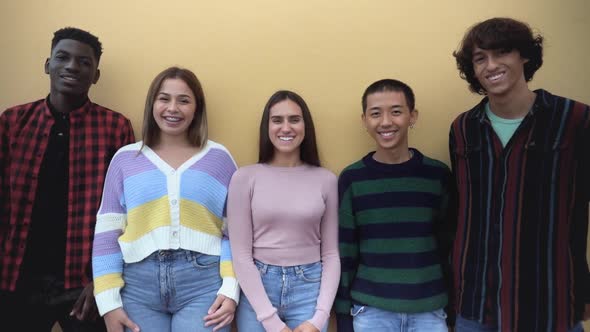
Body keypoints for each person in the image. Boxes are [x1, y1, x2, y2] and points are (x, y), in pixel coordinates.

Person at [450, 17, 590, 332]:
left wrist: (583, 286)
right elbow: (463, 211)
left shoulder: (574, 120)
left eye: (502, 53)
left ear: (525, 55)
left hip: (549, 302)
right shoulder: (463, 128)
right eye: (480, 58)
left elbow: (581, 209)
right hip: (476, 303)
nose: (491, 65)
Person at [0, 27, 134, 331]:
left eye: (84, 62)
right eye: (63, 57)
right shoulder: (13, 121)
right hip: (16, 278)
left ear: (95, 74)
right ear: (48, 65)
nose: (73, 66)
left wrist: (104, 279)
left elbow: (126, 210)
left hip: (84, 283)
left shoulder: (115, 127)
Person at [92, 66, 239, 332]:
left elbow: (235, 232)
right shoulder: (126, 159)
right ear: (152, 104)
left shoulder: (219, 159)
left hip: (203, 284)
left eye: (184, 100)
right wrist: (108, 303)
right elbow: (107, 234)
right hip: (137, 287)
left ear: (197, 108)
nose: (173, 108)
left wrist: (231, 289)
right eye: (164, 98)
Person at [334, 79, 455, 332]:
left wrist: (453, 307)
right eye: (375, 113)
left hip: (429, 312)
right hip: (371, 313)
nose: (386, 122)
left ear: (413, 116)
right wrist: (344, 318)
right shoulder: (352, 180)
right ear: (364, 120)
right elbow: (345, 254)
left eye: (396, 111)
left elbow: (450, 247)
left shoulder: (437, 176)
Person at [227, 90, 340, 332]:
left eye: (294, 120)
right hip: (258, 290)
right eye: (277, 120)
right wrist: (271, 321)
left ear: (305, 126)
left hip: (309, 288)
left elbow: (330, 254)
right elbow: (241, 255)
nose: (286, 128)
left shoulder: (326, 180)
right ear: (266, 127)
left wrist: (319, 319)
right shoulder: (244, 178)